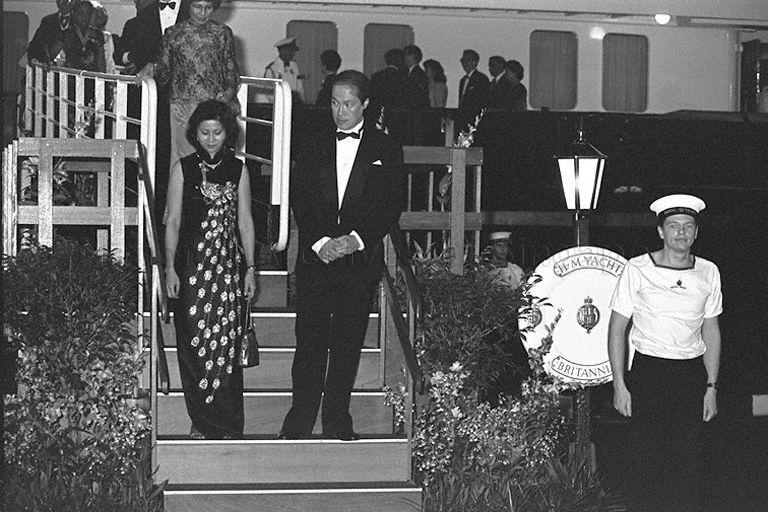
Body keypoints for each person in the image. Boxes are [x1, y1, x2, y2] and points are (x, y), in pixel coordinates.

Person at [279, 70, 405, 441]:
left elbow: (389, 204)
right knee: (309, 341)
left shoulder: (386, 149)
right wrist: (319, 242)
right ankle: (299, 419)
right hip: (316, 257)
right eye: (334, 103)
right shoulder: (312, 143)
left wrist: (355, 239)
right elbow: (299, 196)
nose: (340, 111)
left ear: (365, 104)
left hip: (357, 259)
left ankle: (337, 419)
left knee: (348, 342)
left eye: (348, 103)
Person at [608, 194, 722, 512]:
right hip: (649, 374)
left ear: (697, 232)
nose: (681, 233)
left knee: (690, 466)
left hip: (690, 376)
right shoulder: (637, 269)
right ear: (661, 231)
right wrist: (620, 384)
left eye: (688, 226)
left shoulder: (709, 272)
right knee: (646, 465)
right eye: (673, 226)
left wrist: (711, 386)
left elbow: (711, 330)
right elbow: (617, 328)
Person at [164, 99, 256, 440]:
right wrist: (169, 267)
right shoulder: (183, 168)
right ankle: (200, 421)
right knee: (193, 342)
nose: (211, 138)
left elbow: (245, 221)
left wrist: (251, 267)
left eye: (217, 132)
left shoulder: (239, 169)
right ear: (195, 134)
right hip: (191, 266)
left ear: (227, 132)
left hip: (228, 268)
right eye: (204, 132)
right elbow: (172, 221)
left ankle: (228, 423)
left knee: (227, 347)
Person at [153, 0, 239, 177]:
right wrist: (149, 68)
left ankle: (212, 202)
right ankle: (180, 202)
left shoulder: (222, 33)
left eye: (208, 8)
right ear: (189, 6)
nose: (202, 13)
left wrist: (229, 93)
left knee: (213, 156)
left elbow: (230, 68)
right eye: (197, 7)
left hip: (212, 105)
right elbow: (162, 71)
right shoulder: (173, 33)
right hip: (180, 104)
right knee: (181, 159)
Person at [117, 0, 191, 75]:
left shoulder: (196, 8)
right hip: (152, 81)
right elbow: (138, 51)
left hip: (188, 79)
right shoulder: (146, 13)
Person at [49, 0, 105, 72]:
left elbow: (101, 62)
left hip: (92, 77)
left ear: (91, 15)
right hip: (71, 77)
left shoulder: (98, 34)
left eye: (88, 13)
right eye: (80, 13)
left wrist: (104, 80)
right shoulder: (66, 33)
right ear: (74, 14)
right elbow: (51, 55)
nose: (84, 17)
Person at [27, 0, 78, 65]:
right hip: (49, 66)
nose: (65, 2)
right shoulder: (47, 20)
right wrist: (33, 58)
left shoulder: (79, 21)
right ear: (57, 1)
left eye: (69, 0)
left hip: (70, 68)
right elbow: (36, 43)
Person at [457, 49, 490, 132]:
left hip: (475, 121)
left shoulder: (481, 79)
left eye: (467, 60)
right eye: (462, 60)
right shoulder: (463, 80)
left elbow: (482, 101)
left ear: (475, 62)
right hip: (463, 120)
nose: (464, 63)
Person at [264, 37, 304, 103]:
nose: (292, 54)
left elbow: (300, 87)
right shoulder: (272, 69)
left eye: (293, 51)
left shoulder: (294, 66)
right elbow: (269, 93)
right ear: (280, 51)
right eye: (289, 51)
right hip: (280, 105)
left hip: (296, 104)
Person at [403, 44, 429, 109]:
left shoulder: (421, 74)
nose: (404, 57)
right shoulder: (403, 72)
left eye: (407, 55)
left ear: (413, 56)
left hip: (415, 108)